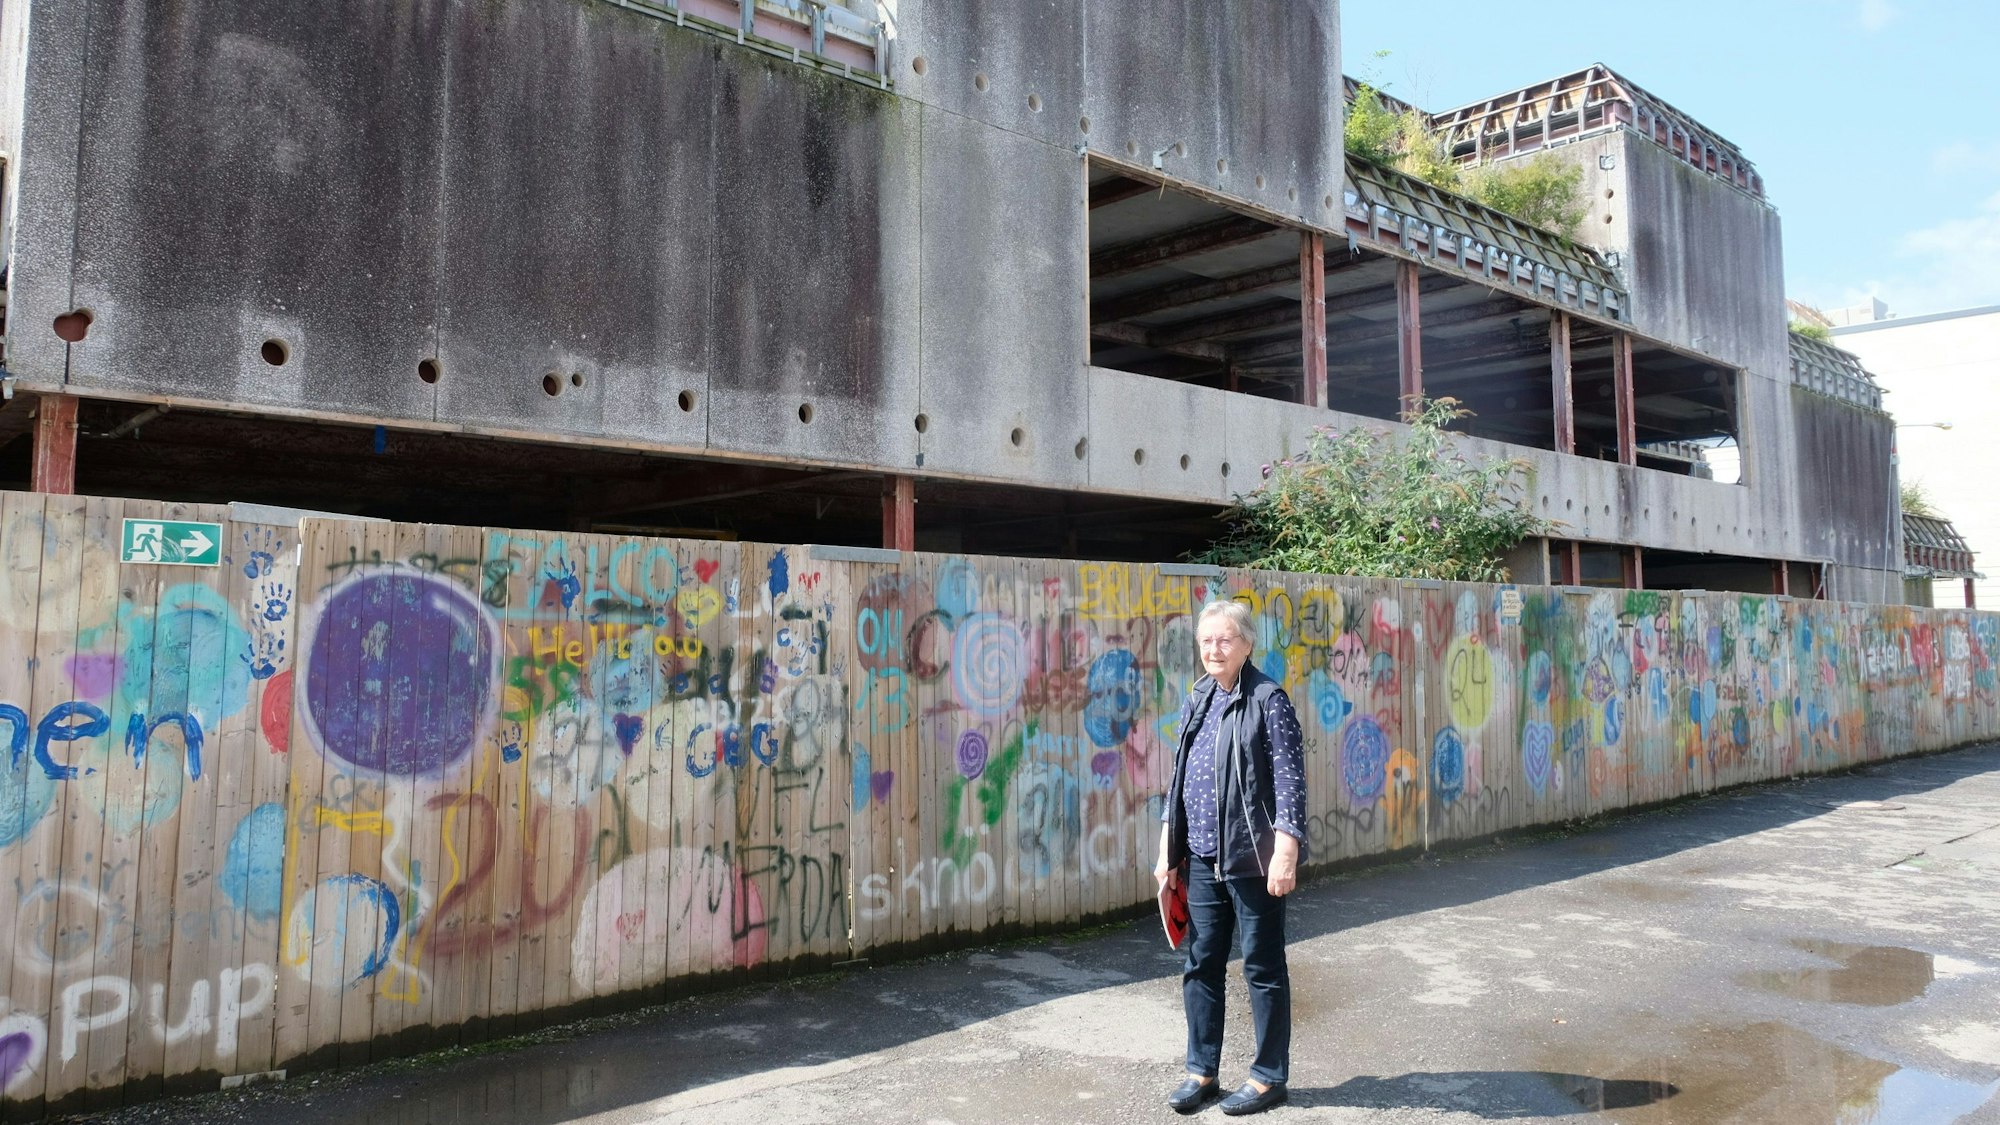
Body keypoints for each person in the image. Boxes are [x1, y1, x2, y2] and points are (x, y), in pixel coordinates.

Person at [1155, 600, 1308, 1116]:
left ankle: (1268, 1077)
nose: (1213, 649)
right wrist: (1167, 851)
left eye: (1223, 640)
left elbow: (1289, 780)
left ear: (1246, 644)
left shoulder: (1269, 699)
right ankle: (1201, 1071)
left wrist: (1286, 849)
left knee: (1262, 967)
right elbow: (1179, 780)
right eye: (1205, 641)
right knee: (1201, 965)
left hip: (1251, 859)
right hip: (1200, 857)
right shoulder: (1198, 697)